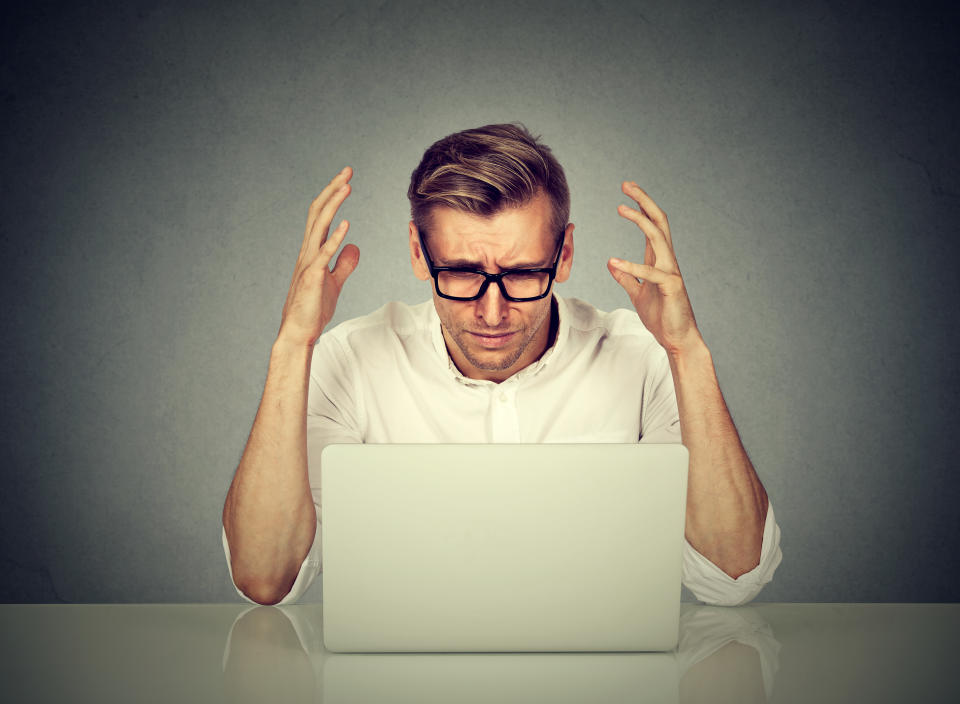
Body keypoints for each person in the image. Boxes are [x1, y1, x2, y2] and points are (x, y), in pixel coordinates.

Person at [221, 123, 782, 607]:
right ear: (419, 253)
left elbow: (732, 576)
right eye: (462, 272)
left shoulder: (643, 356)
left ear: (563, 255)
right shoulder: (350, 359)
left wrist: (689, 352)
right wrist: (294, 344)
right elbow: (264, 579)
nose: (493, 312)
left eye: (520, 275)